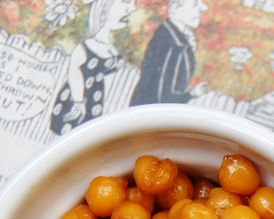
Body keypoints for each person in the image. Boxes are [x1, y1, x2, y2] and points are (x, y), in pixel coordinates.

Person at [50, 0, 137, 135]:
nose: (131, 9)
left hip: (95, 102)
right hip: (76, 100)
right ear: (103, 8)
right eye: (125, 2)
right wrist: (78, 102)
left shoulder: (114, 49)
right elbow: (74, 72)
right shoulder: (85, 48)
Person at [130, 0, 209, 106]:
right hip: (151, 117)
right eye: (195, 3)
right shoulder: (174, 44)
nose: (203, 8)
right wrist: (191, 94)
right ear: (176, 8)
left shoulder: (172, 34)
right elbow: (164, 96)